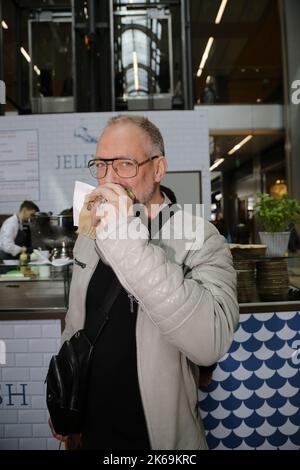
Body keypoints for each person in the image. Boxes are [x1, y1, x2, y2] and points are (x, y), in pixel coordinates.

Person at [49, 115, 238, 450]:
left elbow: (210, 341)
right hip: (88, 433)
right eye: (101, 165)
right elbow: (76, 323)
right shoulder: (89, 235)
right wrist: (63, 397)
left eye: (124, 164)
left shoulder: (197, 236)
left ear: (159, 168)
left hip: (160, 441)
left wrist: (124, 235)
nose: (109, 179)